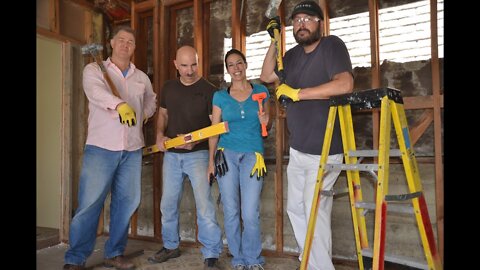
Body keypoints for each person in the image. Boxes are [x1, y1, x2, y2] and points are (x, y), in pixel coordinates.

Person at [260, 1, 354, 270]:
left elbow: (345, 84)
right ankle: (311, 261)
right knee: (297, 210)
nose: (302, 24)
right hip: (299, 149)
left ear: (319, 24)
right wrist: (275, 41)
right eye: (297, 20)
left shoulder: (331, 46)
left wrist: (298, 93)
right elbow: (267, 75)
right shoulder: (290, 57)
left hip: (326, 149)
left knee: (315, 214)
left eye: (308, 19)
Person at [63, 25, 157, 270]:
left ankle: (114, 253)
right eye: (121, 40)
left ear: (135, 48)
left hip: (132, 149)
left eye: (131, 42)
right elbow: (95, 92)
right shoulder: (94, 69)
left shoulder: (141, 77)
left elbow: (151, 100)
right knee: (89, 204)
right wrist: (119, 105)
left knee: (126, 203)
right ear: (112, 43)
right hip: (101, 148)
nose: (126, 44)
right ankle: (75, 258)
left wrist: (143, 115)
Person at [149, 45, 223, 270]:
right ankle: (171, 245)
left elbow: (215, 126)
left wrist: (196, 142)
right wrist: (160, 135)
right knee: (168, 203)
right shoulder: (168, 87)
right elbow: (163, 114)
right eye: (184, 66)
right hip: (171, 155)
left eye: (194, 64)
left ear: (198, 62)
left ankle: (211, 253)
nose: (190, 71)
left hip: (198, 155)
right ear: (175, 64)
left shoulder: (210, 90)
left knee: (204, 205)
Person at [208, 49, 270, 270]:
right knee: (231, 208)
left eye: (239, 63)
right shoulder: (220, 97)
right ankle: (238, 258)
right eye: (231, 65)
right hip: (226, 155)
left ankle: (253, 259)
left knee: (250, 210)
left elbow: (267, 125)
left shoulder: (261, 91)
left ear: (245, 64)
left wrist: (266, 119)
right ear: (227, 70)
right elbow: (214, 131)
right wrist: (210, 163)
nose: (236, 68)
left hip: (253, 155)